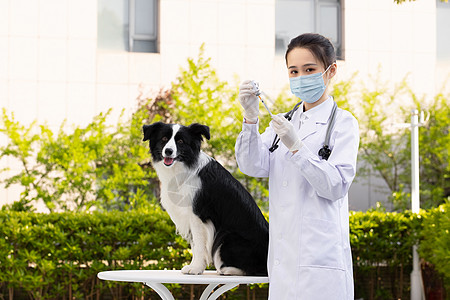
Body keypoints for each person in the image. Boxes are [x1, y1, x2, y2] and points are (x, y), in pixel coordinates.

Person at [235, 33, 359, 299]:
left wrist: (297, 147)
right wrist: (250, 120)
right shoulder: (284, 123)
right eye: (294, 71)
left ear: (331, 70)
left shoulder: (343, 124)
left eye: (309, 69)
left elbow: (336, 185)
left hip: (321, 263)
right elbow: (252, 165)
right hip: (283, 260)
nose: (301, 77)